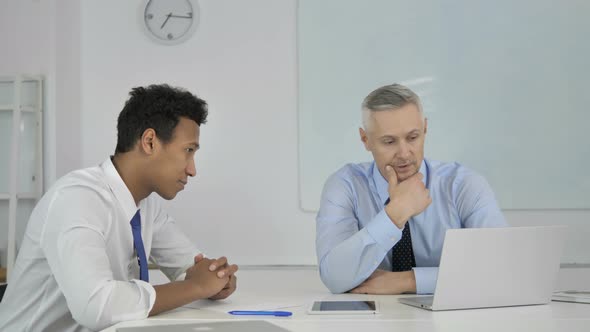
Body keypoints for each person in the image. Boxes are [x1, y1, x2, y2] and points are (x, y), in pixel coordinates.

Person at [0, 84, 238, 331]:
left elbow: (190, 268)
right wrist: (197, 287)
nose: (192, 169)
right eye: (188, 151)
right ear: (149, 142)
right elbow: (95, 306)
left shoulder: (146, 204)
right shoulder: (77, 199)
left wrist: (217, 279)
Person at [316, 83, 507, 295]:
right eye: (389, 141)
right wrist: (395, 215)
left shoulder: (464, 185)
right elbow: (334, 278)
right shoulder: (345, 186)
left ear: (425, 129)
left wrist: (409, 281)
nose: (404, 153)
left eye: (413, 137)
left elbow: (500, 268)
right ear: (365, 140)